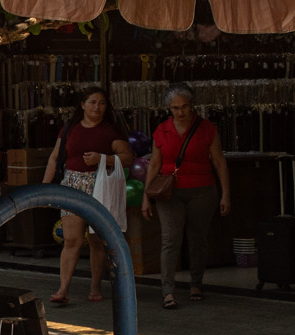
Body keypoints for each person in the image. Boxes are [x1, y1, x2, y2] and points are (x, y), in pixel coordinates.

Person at [140, 84, 231, 309]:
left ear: (192, 106)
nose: (180, 112)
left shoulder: (207, 129)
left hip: (202, 188)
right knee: (171, 239)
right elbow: (154, 164)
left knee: (197, 238)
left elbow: (219, 161)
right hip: (169, 191)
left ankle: (196, 283)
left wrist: (225, 194)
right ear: (168, 109)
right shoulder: (162, 130)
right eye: (175, 108)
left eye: (184, 107)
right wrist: (146, 196)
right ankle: (168, 291)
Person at [42, 87, 133, 306]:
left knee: (96, 240)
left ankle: (95, 288)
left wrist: (103, 158)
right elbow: (55, 158)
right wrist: (44, 188)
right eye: (92, 102)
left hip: (99, 185)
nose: (97, 107)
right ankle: (63, 289)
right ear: (82, 105)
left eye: (101, 103)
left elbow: (127, 158)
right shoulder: (70, 128)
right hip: (72, 184)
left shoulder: (110, 130)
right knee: (71, 239)